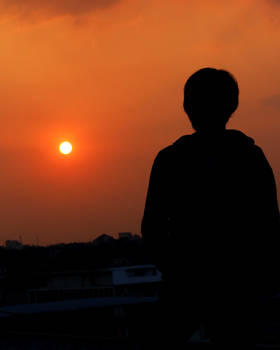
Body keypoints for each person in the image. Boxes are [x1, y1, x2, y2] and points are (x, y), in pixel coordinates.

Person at [141, 67, 280, 348]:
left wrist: (178, 269)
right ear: (232, 106)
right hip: (237, 287)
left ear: (186, 107)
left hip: (185, 286)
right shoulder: (250, 158)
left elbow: (152, 228)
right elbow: (269, 228)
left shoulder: (171, 161)